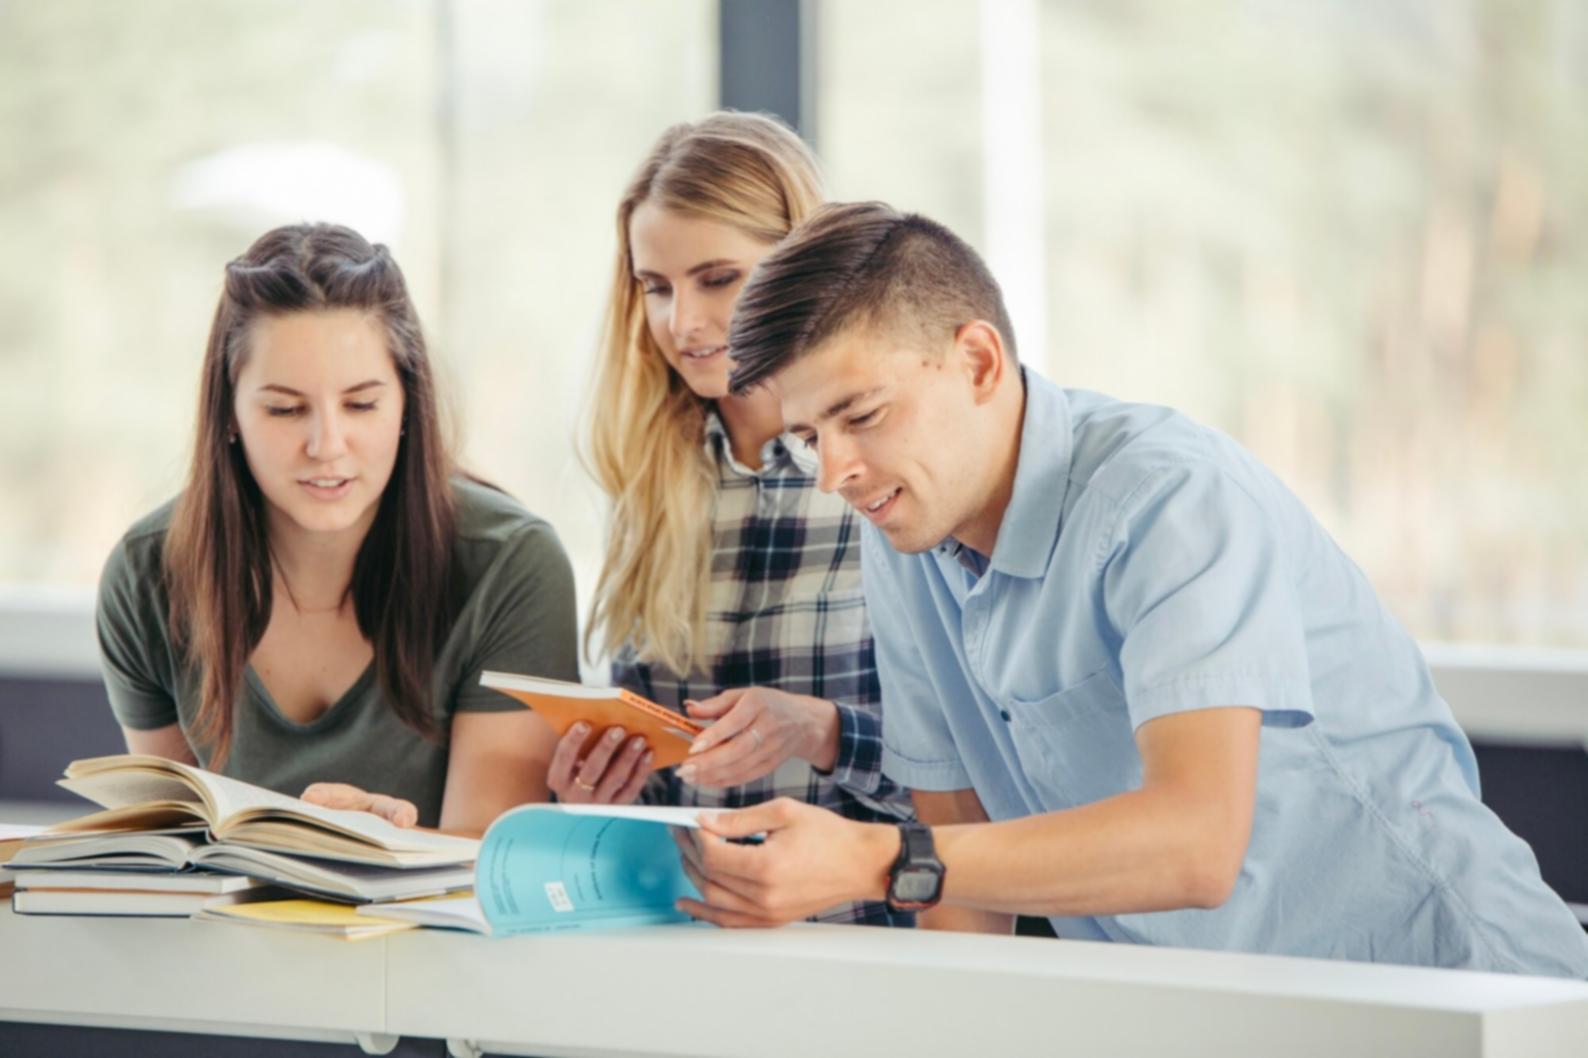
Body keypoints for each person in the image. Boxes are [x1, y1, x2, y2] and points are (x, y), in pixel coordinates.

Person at [675, 201, 1588, 977]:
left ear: (980, 362)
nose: (832, 470)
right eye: (805, 438)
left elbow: (1195, 845)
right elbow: (960, 884)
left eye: (861, 416)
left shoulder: (1167, 500)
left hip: (1452, 992)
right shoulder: (903, 538)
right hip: (1209, 1008)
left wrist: (872, 857)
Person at [95, 223, 578, 836]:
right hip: (229, 935)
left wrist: (360, 842)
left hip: (435, 935)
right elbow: (176, 851)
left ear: (408, 403)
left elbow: (484, 863)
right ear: (231, 415)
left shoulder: (512, 566)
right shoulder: (147, 575)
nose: (327, 445)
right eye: (285, 409)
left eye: (361, 404)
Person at [557, 113, 913, 926]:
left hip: (876, 956)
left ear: (801, 265)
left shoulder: (886, 475)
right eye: (656, 287)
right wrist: (593, 790)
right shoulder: (651, 482)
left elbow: (990, 778)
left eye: (718, 278)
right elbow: (658, 787)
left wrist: (823, 732)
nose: (683, 321)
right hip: (686, 955)